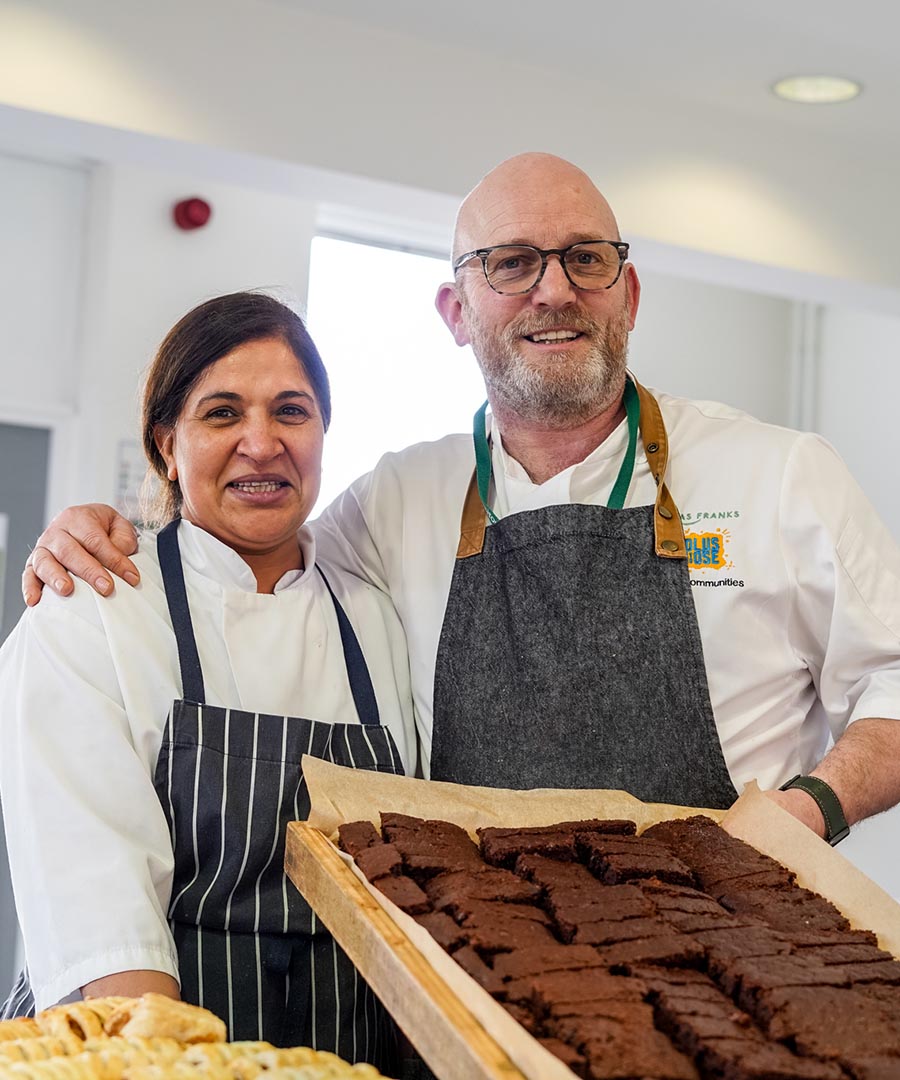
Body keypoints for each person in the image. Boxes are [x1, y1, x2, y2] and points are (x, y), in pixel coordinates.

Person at [22, 153, 900, 845]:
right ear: (455, 311)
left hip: (732, 959)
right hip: (462, 990)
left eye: (586, 259)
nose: (553, 290)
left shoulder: (781, 476)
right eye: (511, 263)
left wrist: (813, 806)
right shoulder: (399, 498)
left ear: (626, 294)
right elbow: (250, 555)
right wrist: (103, 528)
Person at [1, 292, 415, 1073]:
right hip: (140, 1041)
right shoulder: (89, 611)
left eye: (291, 411)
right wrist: (171, 1063)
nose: (261, 444)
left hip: (346, 1049)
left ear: (323, 434)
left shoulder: (377, 620)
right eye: (222, 414)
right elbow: (99, 910)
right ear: (167, 444)